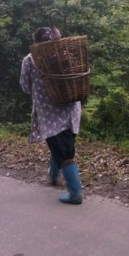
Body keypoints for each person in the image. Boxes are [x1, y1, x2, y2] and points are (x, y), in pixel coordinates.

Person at [20, 27, 83, 205]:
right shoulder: (63, 54)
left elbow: (25, 86)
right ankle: (53, 175)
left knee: (63, 151)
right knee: (62, 145)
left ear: (36, 43)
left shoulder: (30, 60)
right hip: (71, 110)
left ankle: (75, 193)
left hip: (49, 114)